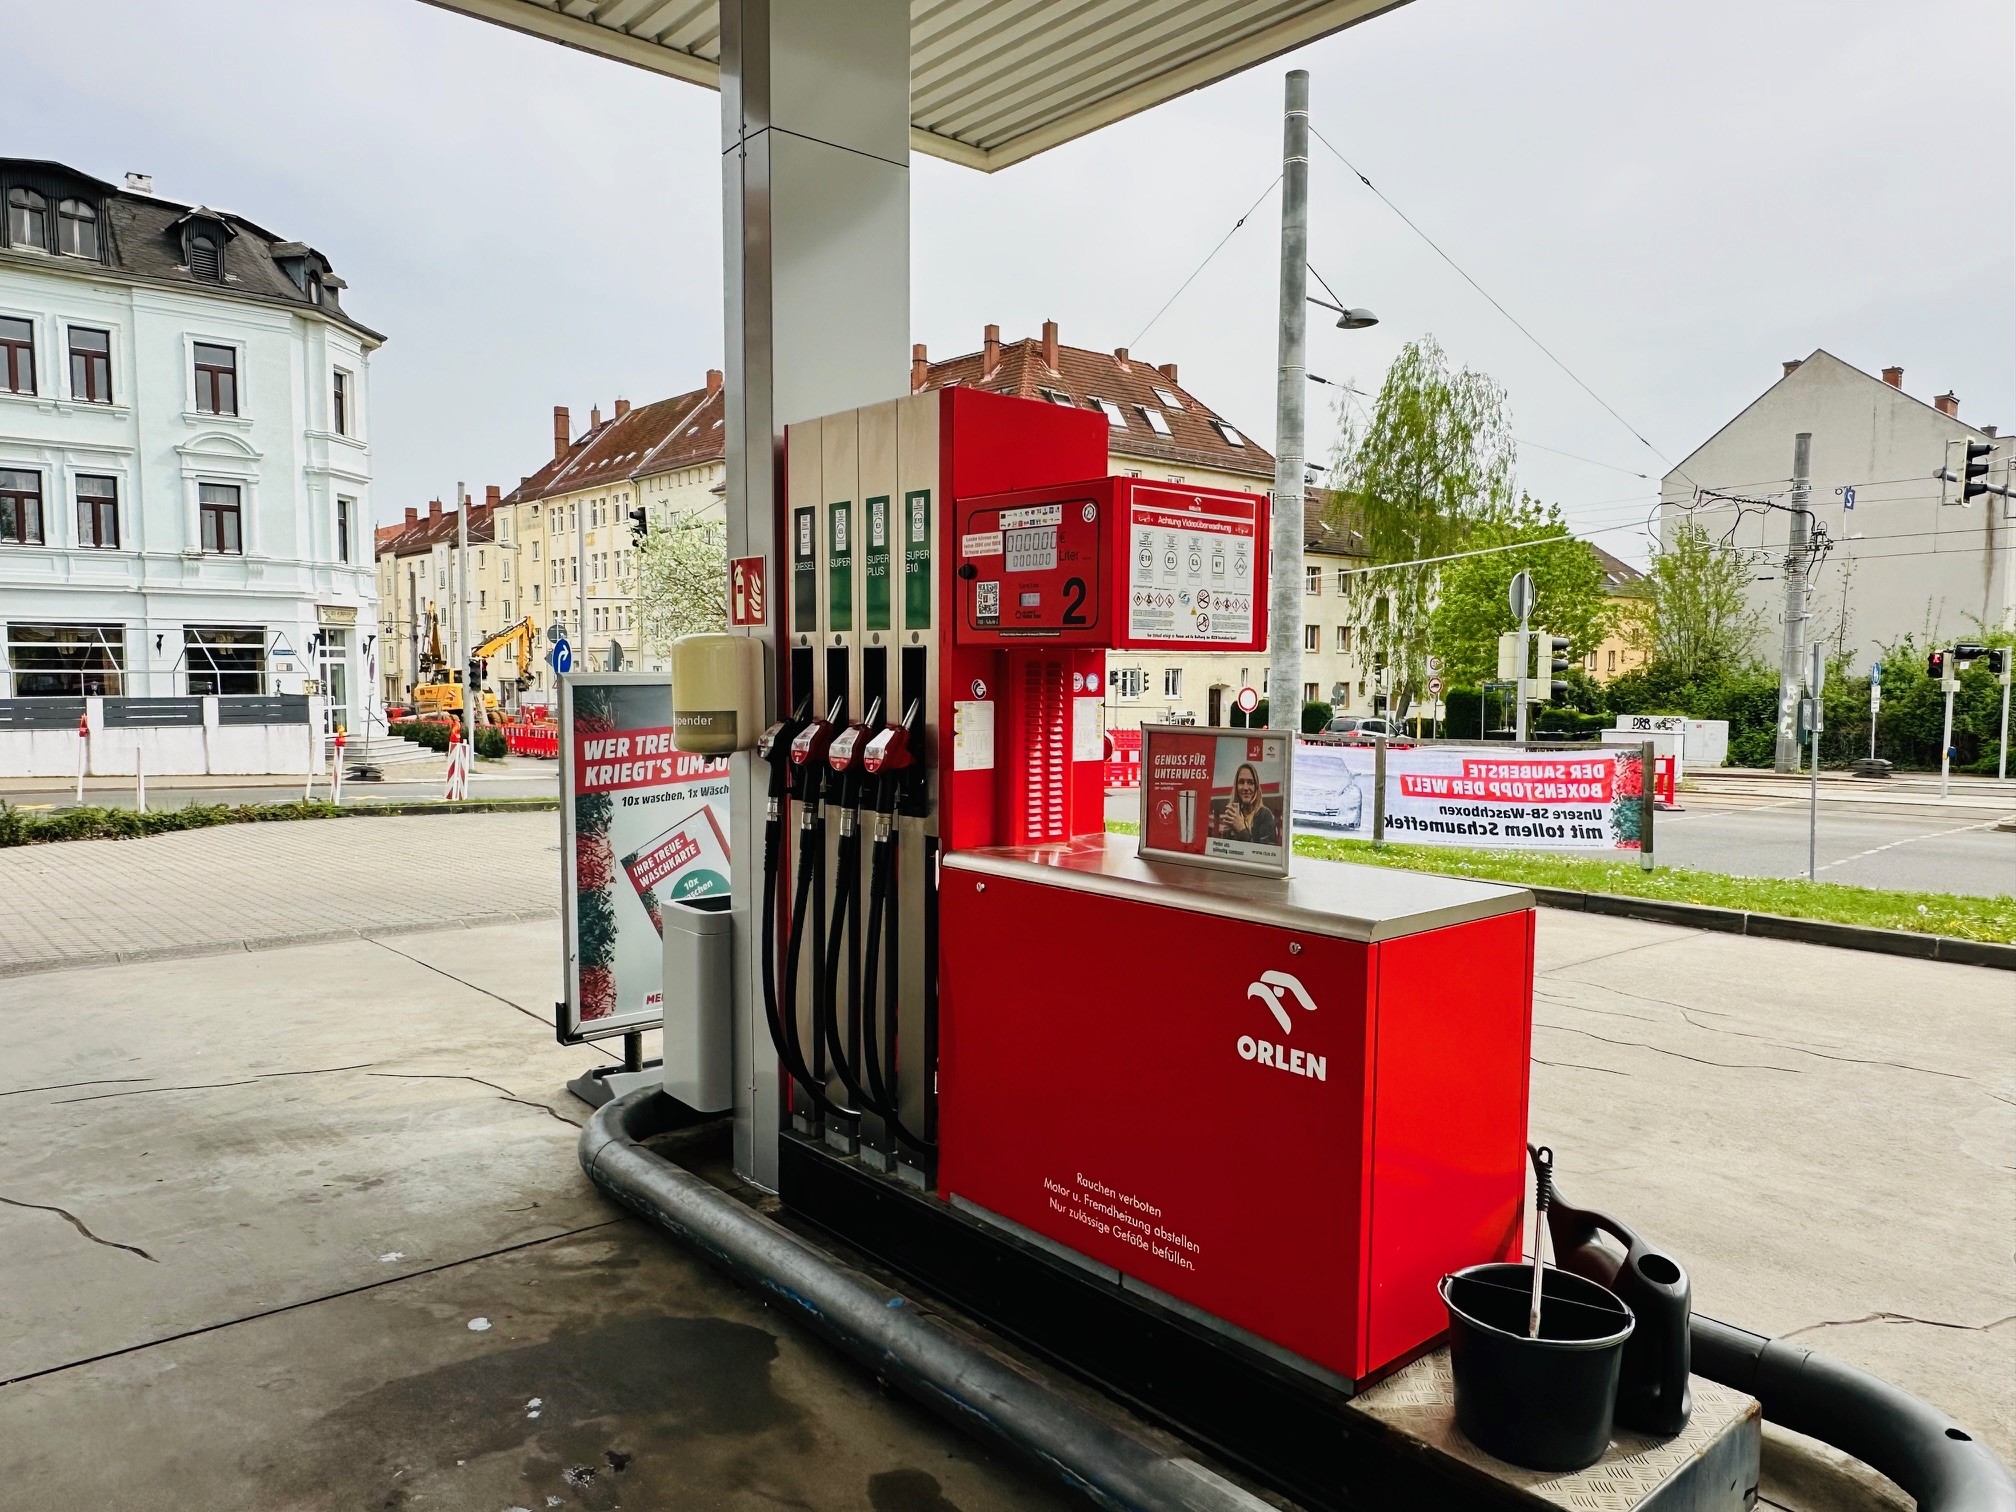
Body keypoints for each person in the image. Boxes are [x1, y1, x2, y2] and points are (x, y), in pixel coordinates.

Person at [1213, 761, 1279, 846]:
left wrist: (1241, 829)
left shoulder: (1265, 815)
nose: (1245, 788)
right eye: (1241, 782)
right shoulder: (1233, 814)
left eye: (1250, 782)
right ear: (1236, 786)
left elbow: (1264, 853)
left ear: (1256, 787)